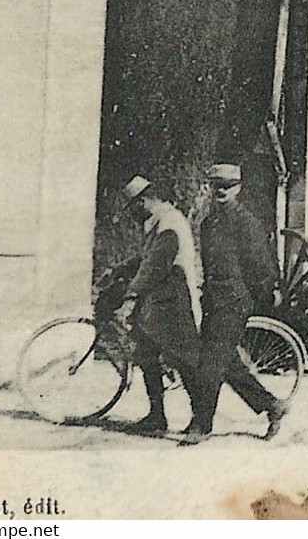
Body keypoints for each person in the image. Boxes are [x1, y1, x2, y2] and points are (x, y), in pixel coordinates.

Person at [183, 163, 284, 444]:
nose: (222, 191)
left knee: (210, 364)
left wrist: (268, 291)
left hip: (235, 301)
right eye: (217, 185)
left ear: (238, 188)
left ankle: (202, 425)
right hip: (214, 301)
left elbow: (259, 264)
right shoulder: (208, 224)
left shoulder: (246, 223)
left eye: (228, 185)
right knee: (227, 363)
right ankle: (273, 406)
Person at [117, 175, 202, 434]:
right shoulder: (157, 221)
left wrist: (131, 296)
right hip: (159, 301)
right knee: (145, 354)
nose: (131, 216)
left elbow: (156, 264)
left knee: (184, 361)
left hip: (175, 301)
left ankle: (200, 420)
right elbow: (146, 259)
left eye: (132, 209)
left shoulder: (169, 223)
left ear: (142, 202)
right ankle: (157, 415)